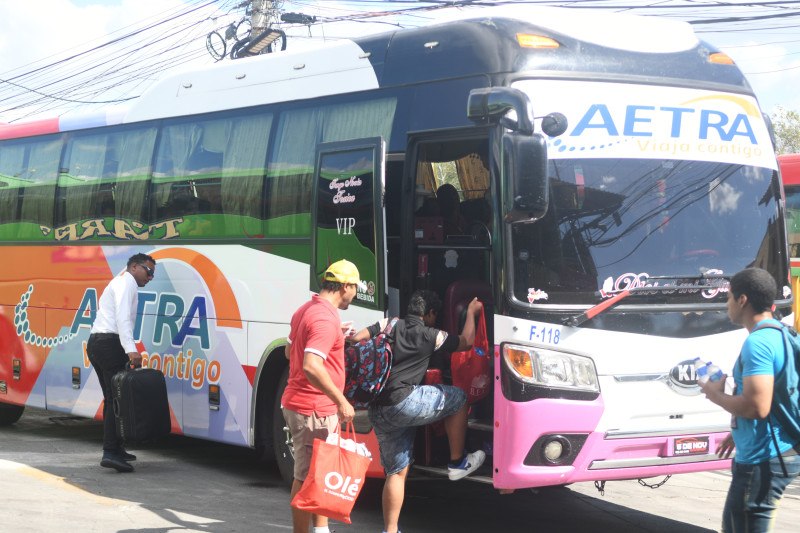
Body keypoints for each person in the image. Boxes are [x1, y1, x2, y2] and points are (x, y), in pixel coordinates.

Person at [350, 289, 485, 533]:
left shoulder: (389, 323)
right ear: (430, 313)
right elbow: (466, 342)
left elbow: (359, 338)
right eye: (436, 314)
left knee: (396, 472)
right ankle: (457, 463)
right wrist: (472, 314)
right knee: (460, 398)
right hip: (405, 402)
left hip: (378, 408)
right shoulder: (431, 334)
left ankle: (390, 530)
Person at [700, 267, 800, 532]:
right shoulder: (782, 332)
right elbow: (778, 394)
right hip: (771, 451)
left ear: (742, 300)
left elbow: (757, 406)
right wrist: (738, 431)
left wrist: (715, 395)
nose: (726, 304)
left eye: (729, 297)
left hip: (764, 459)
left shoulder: (758, 343)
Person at [281, 259, 361, 533]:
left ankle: (321, 529)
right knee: (305, 477)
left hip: (306, 405)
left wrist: (332, 337)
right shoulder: (326, 319)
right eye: (355, 288)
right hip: (313, 409)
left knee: (319, 474)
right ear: (346, 286)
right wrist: (341, 401)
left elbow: (288, 353)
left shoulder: (307, 309)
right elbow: (311, 365)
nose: (355, 294)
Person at [86, 253, 156, 473]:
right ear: (134, 266)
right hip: (109, 342)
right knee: (117, 399)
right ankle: (110, 452)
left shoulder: (119, 282)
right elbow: (122, 317)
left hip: (98, 342)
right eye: (149, 271)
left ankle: (116, 447)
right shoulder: (127, 283)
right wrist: (131, 349)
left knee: (112, 398)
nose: (150, 277)